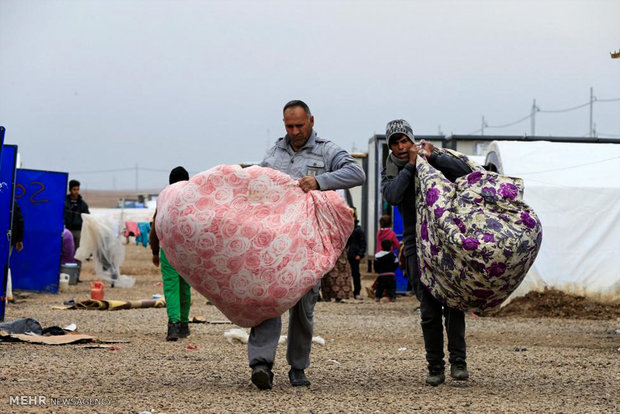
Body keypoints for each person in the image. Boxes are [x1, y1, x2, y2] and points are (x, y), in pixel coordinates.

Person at [249, 100, 365, 390]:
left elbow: (357, 174)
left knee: (303, 308)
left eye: (300, 125)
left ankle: (298, 367)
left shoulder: (327, 150)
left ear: (311, 121)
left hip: (307, 246)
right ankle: (261, 364)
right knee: (268, 303)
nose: (295, 131)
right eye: (289, 126)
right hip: (274, 244)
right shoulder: (274, 153)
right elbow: (256, 187)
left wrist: (320, 181)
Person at [381, 119, 471, 386]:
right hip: (415, 245)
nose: (400, 146)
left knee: (454, 305)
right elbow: (393, 195)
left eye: (404, 141)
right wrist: (410, 166)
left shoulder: (431, 158)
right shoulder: (392, 169)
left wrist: (434, 156)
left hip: (445, 243)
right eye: (395, 143)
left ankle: (459, 362)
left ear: (412, 140)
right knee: (429, 310)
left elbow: (465, 172)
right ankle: (435, 366)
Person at [150, 166, 192, 342]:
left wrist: (154, 251)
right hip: (187, 249)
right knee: (185, 286)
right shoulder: (192, 198)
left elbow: (155, 225)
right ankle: (183, 324)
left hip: (168, 248)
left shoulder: (164, 198)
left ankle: (173, 325)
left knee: (171, 286)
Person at [64, 179, 90, 281]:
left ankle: (76, 276)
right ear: (70, 190)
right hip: (67, 231)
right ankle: (65, 274)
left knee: (78, 253)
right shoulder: (65, 202)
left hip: (78, 231)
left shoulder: (82, 204)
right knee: (67, 252)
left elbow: (87, 217)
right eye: (74, 189)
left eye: (77, 189)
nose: (76, 192)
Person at [6, 200, 24, 303]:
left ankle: (8, 295)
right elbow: (20, 220)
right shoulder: (12, 200)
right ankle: (8, 295)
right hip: (9, 239)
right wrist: (19, 240)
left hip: (8, 239)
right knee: (5, 265)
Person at [346, 215, 366, 300]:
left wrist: (360, 254)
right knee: (349, 274)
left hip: (354, 255)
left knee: (355, 274)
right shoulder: (348, 228)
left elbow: (363, 243)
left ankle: (357, 291)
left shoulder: (358, 230)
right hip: (349, 254)